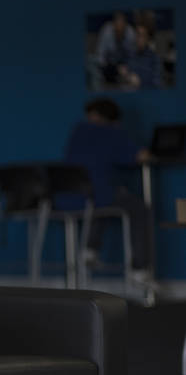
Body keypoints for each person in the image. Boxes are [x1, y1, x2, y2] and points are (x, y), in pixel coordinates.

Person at [63, 97, 152, 283]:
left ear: (93, 115)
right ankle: (139, 269)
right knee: (138, 208)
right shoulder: (112, 133)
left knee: (102, 202)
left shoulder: (78, 131)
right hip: (97, 197)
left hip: (68, 197)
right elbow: (140, 156)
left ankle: (90, 249)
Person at [95, 11, 135, 85]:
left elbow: (132, 56)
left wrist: (127, 68)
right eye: (117, 30)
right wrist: (112, 69)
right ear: (113, 26)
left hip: (125, 65)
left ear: (125, 26)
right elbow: (100, 56)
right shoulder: (106, 31)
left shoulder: (130, 33)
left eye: (122, 30)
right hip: (108, 65)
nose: (119, 33)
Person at [120, 22, 163, 89]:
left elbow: (157, 84)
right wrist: (127, 76)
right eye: (137, 35)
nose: (139, 38)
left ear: (147, 38)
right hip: (131, 94)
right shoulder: (130, 55)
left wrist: (141, 82)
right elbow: (124, 74)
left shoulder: (154, 59)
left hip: (148, 95)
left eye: (142, 35)